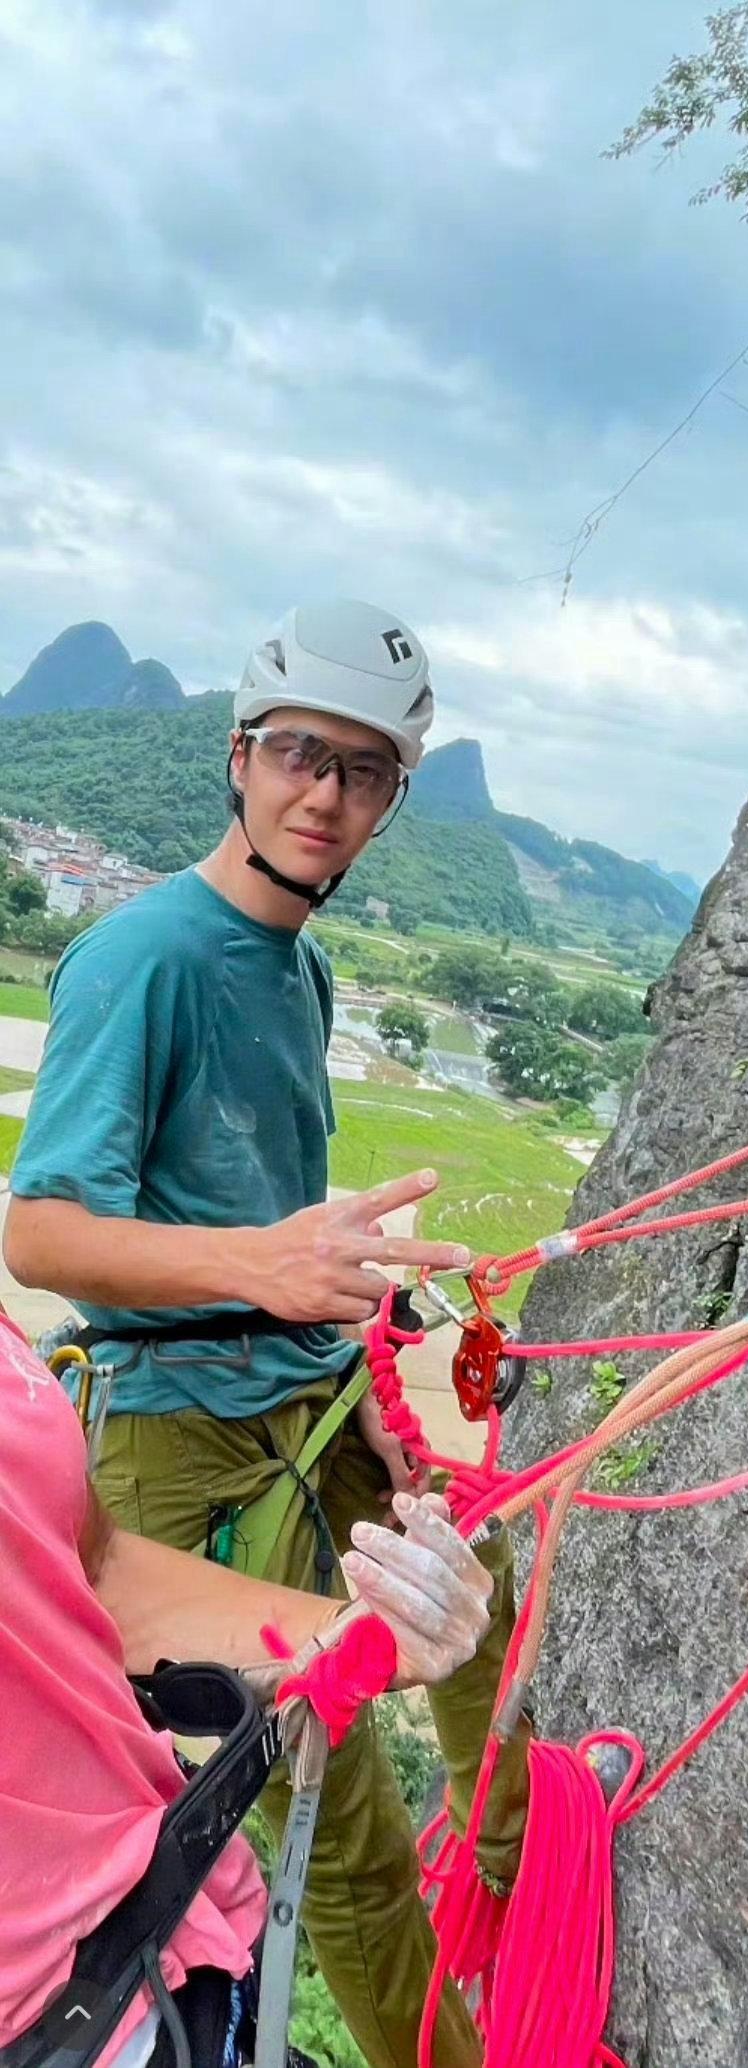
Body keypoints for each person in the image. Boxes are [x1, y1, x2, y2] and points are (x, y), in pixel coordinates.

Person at [3, 601, 530, 2068]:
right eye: (302, 756)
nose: (326, 796)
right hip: (185, 1446)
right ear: (241, 760)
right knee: (335, 1814)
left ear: (392, 801)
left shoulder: (302, 972)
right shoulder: (144, 961)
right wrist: (272, 1266)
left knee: (482, 1590)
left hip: (306, 1399)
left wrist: (349, 1365)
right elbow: (40, 1233)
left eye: (366, 773)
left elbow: (279, 1250)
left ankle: (514, 1893)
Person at [0, 1299, 495, 2066]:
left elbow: (93, 1567)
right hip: (62, 2019)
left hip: (172, 1923)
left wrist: (346, 1635)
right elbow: (47, 1230)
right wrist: (266, 1263)